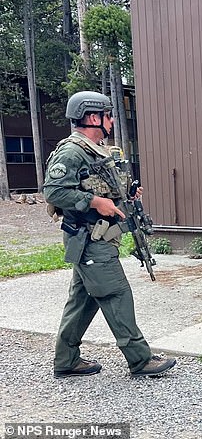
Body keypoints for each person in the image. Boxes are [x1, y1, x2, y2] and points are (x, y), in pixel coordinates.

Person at [43, 91, 176, 379]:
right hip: (91, 241)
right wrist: (94, 202)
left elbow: (100, 186)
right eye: (108, 114)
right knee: (116, 293)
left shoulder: (96, 150)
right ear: (93, 117)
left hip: (96, 241)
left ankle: (66, 361)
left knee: (84, 299)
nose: (112, 120)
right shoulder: (72, 151)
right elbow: (53, 191)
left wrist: (125, 195)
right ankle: (140, 360)